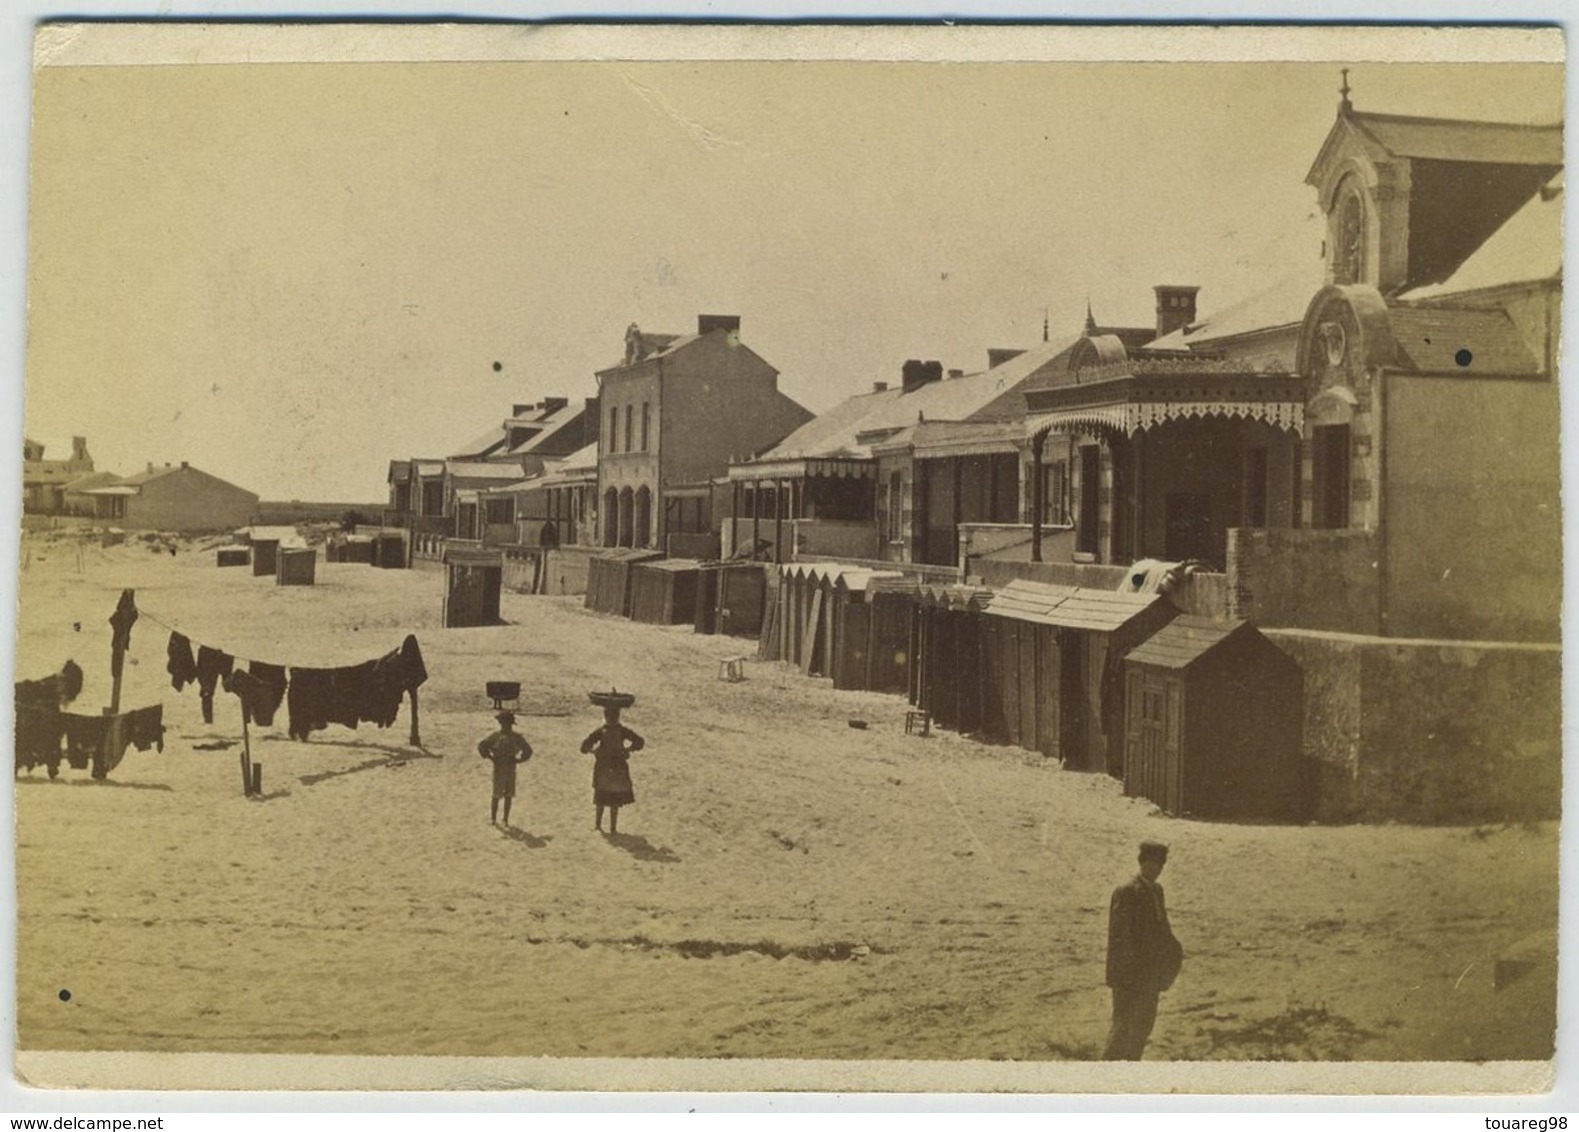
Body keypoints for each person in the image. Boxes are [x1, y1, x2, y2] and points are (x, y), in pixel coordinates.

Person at [1104, 839, 1184, 1060]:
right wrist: (1124, 975)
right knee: (1122, 1029)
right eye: (1152, 863)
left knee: (1142, 1028)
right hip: (1129, 976)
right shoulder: (1126, 891)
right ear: (1142, 863)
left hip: (1150, 974)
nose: (1156, 869)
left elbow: (1162, 929)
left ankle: (1129, 1074)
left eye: (1160, 865)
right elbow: (1119, 937)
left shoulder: (1157, 891)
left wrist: (1174, 954)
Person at [580, 703, 644, 834]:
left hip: (607, 767)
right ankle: (609, 828)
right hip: (615, 767)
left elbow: (584, 747)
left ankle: (602, 826)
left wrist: (594, 751)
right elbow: (639, 741)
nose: (611, 719)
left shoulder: (602, 731)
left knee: (603, 798)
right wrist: (628, 750)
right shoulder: (620, 731)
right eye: (610, 716)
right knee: (610, 799)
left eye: (612, 716)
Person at [477, 710, 532, 826]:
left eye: (506, 723)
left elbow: (528, 751)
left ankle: (504, 819)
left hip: (507, 767)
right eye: (504, 723)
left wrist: (518, 760)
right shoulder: (498, 736)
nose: (505, 726)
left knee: (507, 794)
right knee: (498, 794)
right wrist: (491, 758)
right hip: (502, 766)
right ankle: (494, 819)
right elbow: (482, 746)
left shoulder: (510, 737)